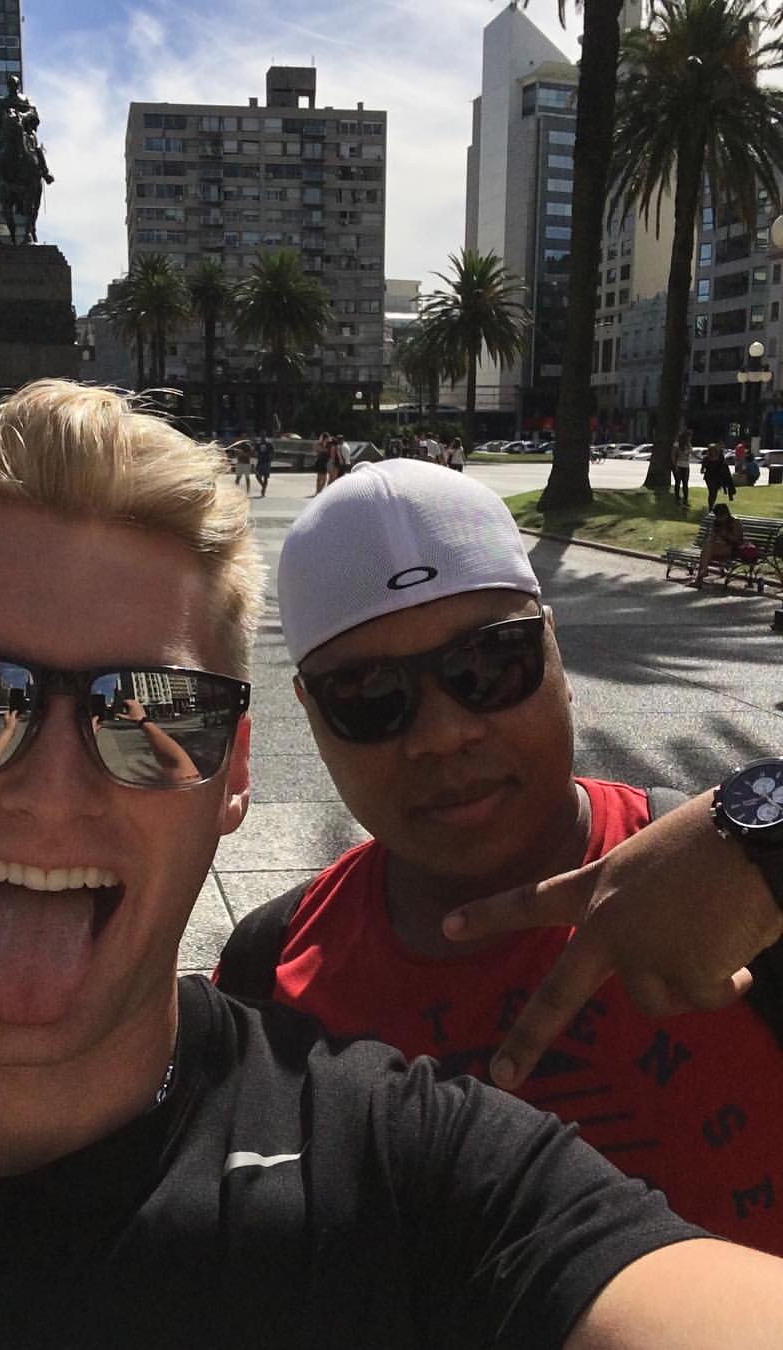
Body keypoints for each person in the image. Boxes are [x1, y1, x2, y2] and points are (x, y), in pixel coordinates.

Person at [0, 383, 783, 1346]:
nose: (51, 789)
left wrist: (758, 830)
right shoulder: (279, 969)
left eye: (153, 711)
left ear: (234, 776)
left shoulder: (399, 1156)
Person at [218, 459, 783, 1255]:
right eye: (370, 696)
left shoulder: (746, 891)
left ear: (555, 651)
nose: (446, 733)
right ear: (311, 714)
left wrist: (766, 833)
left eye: (489, 665)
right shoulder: (265, 974)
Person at [694, 501, 745, 587]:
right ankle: (701, 575)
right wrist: (713, 538)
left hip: (732, 549)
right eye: (717, 516)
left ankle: (700, 577)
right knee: (707, 548)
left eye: (721, 516)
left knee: (706, 551)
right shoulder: (716, 523)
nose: (719, 518)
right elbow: (712, 536)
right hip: (718, 547)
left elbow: (738, 540)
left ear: (726, 514)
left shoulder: (735, 522)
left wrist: (726, 535)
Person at [700, 442, 735, 510]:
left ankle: (711, 505)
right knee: (711, 491)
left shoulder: (720, 457)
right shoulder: (706, 458)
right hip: (709, 477)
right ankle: (710, 507)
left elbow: (724, 466)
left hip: (718, 477)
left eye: (715, 450)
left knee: (715, 492)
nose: (714, 451)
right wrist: (703, 470)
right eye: (712, 450)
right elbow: (702, 469)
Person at [671, 431, 691, 506]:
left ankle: (685, 500)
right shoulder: (677, 445)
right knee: (678, 482)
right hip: (678, 465)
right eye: (688, 437)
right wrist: (675, 466)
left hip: (686, 466)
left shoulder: (688, 445)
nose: (690, 438)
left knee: (685, 483)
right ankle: (677, 498)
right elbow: (673, 456)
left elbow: (691, 453)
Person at [253, 431, 273, 497]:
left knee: (265, 477)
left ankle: (263, 490)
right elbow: (255, 451)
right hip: (260, 461)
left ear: (265, 436)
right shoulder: (258, 444)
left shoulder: (269, 444)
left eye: (264, 436)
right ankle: (263, 486)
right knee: (257, 475)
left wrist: (270, 458)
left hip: (266, 462)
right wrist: (256, 455)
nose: (262, 437)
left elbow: (272, 452)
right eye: (261, 436)